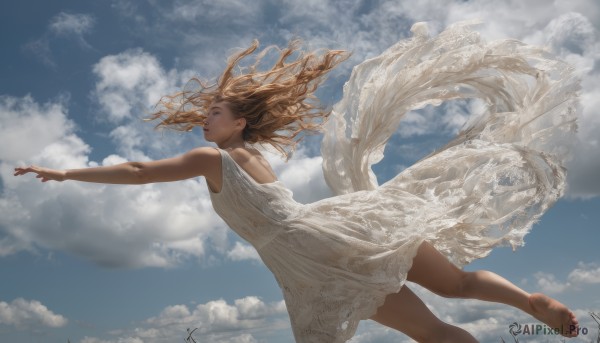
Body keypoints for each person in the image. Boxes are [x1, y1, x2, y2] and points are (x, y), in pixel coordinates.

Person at [14, 21, 581, 343]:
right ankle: (532, 302)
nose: (204, 119)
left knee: (429, 333)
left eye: (215, 112)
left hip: (306, 252)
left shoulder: (213, 160)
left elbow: (139, 172)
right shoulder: (259, 158)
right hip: (337, 226)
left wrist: (64, 170)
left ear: (239, 122)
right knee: (453, 285)